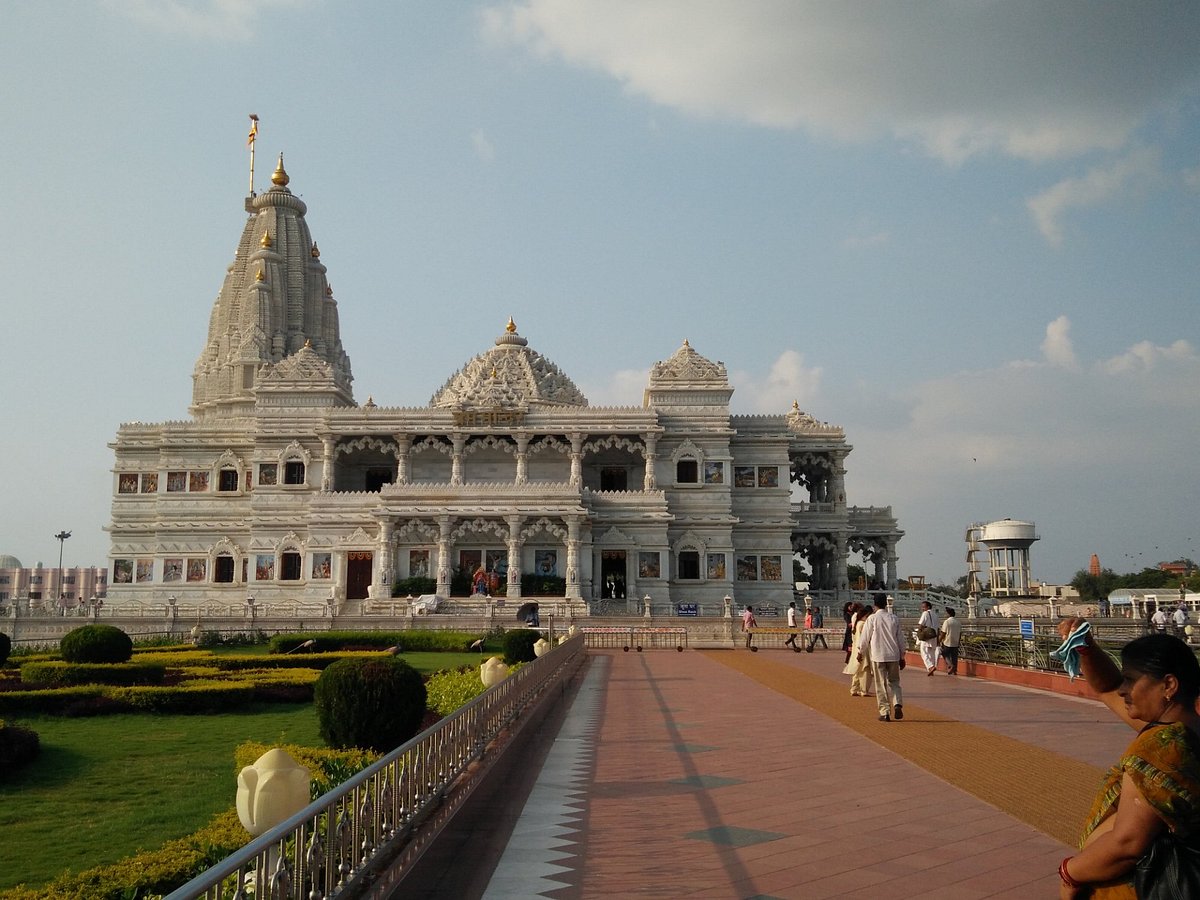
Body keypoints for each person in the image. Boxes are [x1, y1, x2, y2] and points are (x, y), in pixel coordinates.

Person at [1055, 619, 1200, 898]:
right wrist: (1087, 649)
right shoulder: (1187, 730)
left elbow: (1126, 845)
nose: (1124, 690)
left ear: (1168, 685)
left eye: (1131, 680)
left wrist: (1069, 873)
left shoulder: (1160, 745)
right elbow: (1108, 687)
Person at [857, 594, 905, 721]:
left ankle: (885, 712)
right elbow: (900, 639)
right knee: (894, 682)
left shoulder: (872, 619)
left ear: (874, 604)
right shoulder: (893, 618)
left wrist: (860, 652)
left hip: (878, 655)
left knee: (880, 684)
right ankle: (897, 703)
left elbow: (865, 638)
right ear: (886, 603)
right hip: (893, 655)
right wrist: (902, 655)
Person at [843, 604, 874, 696]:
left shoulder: (857, 623)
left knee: (857, 670)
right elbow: (866, 638)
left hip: (856, 648)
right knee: (865, 670)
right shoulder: (864, 624)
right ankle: (864, 690)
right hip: (864, 649)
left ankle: (854, 688)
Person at [917, 600, 940, 676]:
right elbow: (938, 628)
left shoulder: (925, 613)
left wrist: (919, 633)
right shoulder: (936, 615)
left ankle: (930, 666)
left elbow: (921, 625)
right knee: (931, 653)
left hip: (926, 635)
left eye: (924, 607)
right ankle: (932, 668)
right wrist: (938, 639)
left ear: (928, 607)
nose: (922, 608)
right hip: (934, 635)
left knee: (923, 651)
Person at [939, 607, 961, 675]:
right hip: (955, 641)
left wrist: (939, 640)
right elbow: (960, 633)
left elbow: (943, 633)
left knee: (945, 654)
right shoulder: (958, 622)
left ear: (948, 614)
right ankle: (955, 670)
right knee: (954, 657)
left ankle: (950, 665)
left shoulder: (947, 622)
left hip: (947, 642)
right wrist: (958, 641)